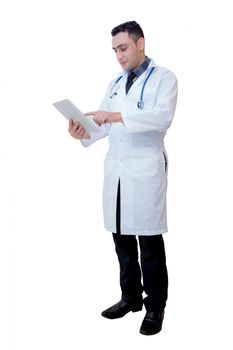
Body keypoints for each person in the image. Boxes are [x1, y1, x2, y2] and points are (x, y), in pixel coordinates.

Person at [68, 21, 178, 336]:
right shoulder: (116, 82)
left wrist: (114, 116)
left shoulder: (164, 78)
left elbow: (161, 117)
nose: (118, 55)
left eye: (123, 47)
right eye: (115, 50)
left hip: (145, 169)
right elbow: (101, 124)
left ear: (140, 43)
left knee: (149, 241)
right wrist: (82, 132)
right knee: (121, 238)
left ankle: (155, 305)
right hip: (117, 169)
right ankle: (130, 297)